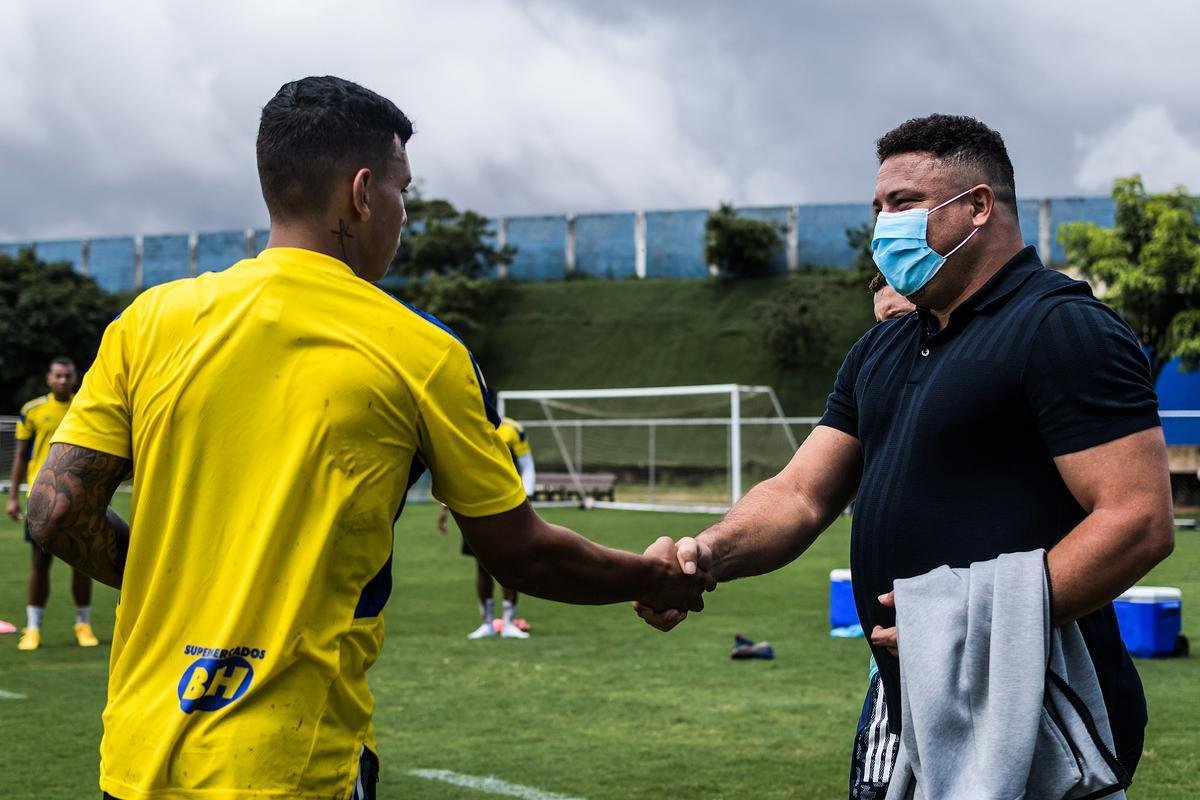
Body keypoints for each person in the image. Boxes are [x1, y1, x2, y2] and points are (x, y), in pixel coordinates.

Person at [25, 76, 712, 800]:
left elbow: (55, 511)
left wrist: (186, 589)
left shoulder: (150, 321)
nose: (403, 213)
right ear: (361, 193)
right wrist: (650, 576)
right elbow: (520, 552)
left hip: (136, 760)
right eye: (401, 190)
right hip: (295, 768)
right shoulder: (423, 353)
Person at [637, 114, 1173, 792]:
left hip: (1039, 699)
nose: (883, 225)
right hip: (907, 698)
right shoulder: (883, 346)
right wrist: (706, 554)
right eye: (878, 206)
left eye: (903, 203)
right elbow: (800, 496)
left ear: (977, 206)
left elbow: (1138, 521)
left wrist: (963, 624)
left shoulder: (1061, 329)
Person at [6, 357, 98, 651]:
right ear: (48, 378)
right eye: (57, 375)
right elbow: (22, 455)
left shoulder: (86, 405)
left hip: (79, 497)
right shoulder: (32, 410)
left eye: (67, 375)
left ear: (75, 378)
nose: (62, 380)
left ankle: (83, 624)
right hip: (41, 499)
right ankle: (33, 628)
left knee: (83, 561)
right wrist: (12, 496)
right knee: (40, 563)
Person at [438, 415, 537, 639]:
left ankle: (509, 623)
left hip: (507, 507)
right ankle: (487, 623)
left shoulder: (513, 430)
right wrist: (445, 507)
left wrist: (528, 498)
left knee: (510, 565)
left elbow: (527, 464)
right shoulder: (465, 427)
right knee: (482, 565)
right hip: (474, 508)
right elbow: (456, 469)